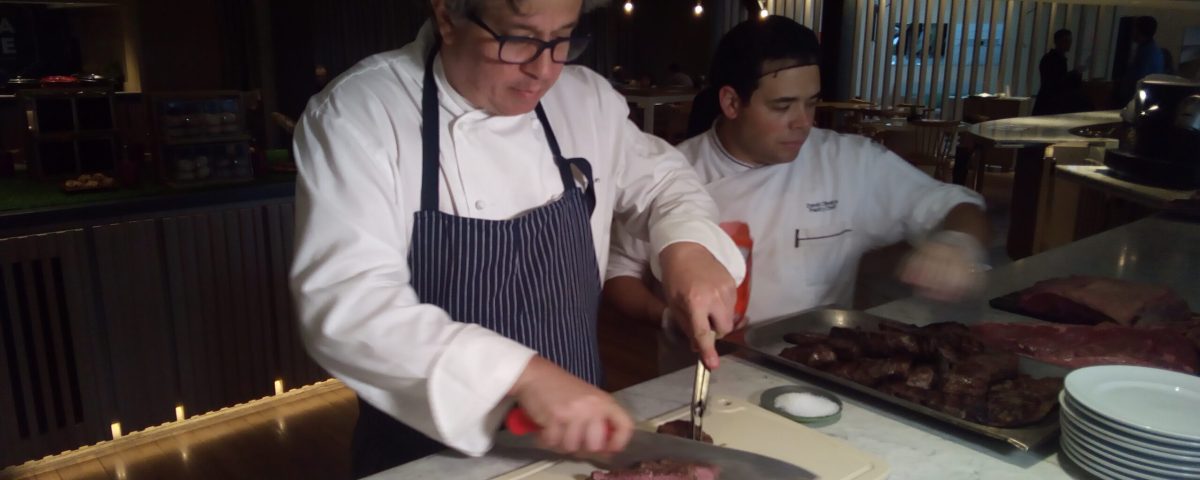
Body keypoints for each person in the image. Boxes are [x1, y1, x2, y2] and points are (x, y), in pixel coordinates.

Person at [289, 0, 746, 477]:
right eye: (520, 39)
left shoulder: (584, 99)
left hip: (577, 446)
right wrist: (520, 376)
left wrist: (687, 245)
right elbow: (348, 305)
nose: (543, 70)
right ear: (447, 17)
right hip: (425, 457)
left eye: (562, 38)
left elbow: (663, 181)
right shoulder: (360, 115)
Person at [604, 16, 988, 370]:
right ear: (732, 102)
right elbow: (619, 275)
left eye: (811, 103)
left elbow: (956, 205)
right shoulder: (673, 174)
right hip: (703, 375)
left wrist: (955, 242)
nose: (803, 123)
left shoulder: (849, 162)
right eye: (782, 106)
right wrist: (668, 317)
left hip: (821, 372)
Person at [1033, 29, 1090, 115]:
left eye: (1070, 41)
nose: (1069, 44)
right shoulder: (1055, 59)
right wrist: (1075, 73)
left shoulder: (1050, 58)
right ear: (1058, 42)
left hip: (1047, 101)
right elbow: (1056, 81)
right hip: (1052, 103)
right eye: (1066, 41)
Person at [1116, 16, 1167, 106]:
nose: (1132, 32)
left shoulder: (1148, 53)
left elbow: (1138, 78)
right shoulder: (1151, 50)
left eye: (1134, 29)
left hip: (1139, 101)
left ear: (1139, 30)